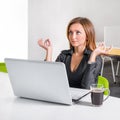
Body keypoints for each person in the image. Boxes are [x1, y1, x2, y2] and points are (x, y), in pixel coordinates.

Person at [38, 17, 111, 89]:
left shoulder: (96, 58)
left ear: (87, 36)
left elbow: (87, 88)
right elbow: (49, 78)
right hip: (63, 98)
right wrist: (49, 50)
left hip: (84, 99)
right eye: (71, 32)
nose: (73, 37)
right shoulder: (64, 55)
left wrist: (93, 56)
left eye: (78, 32)